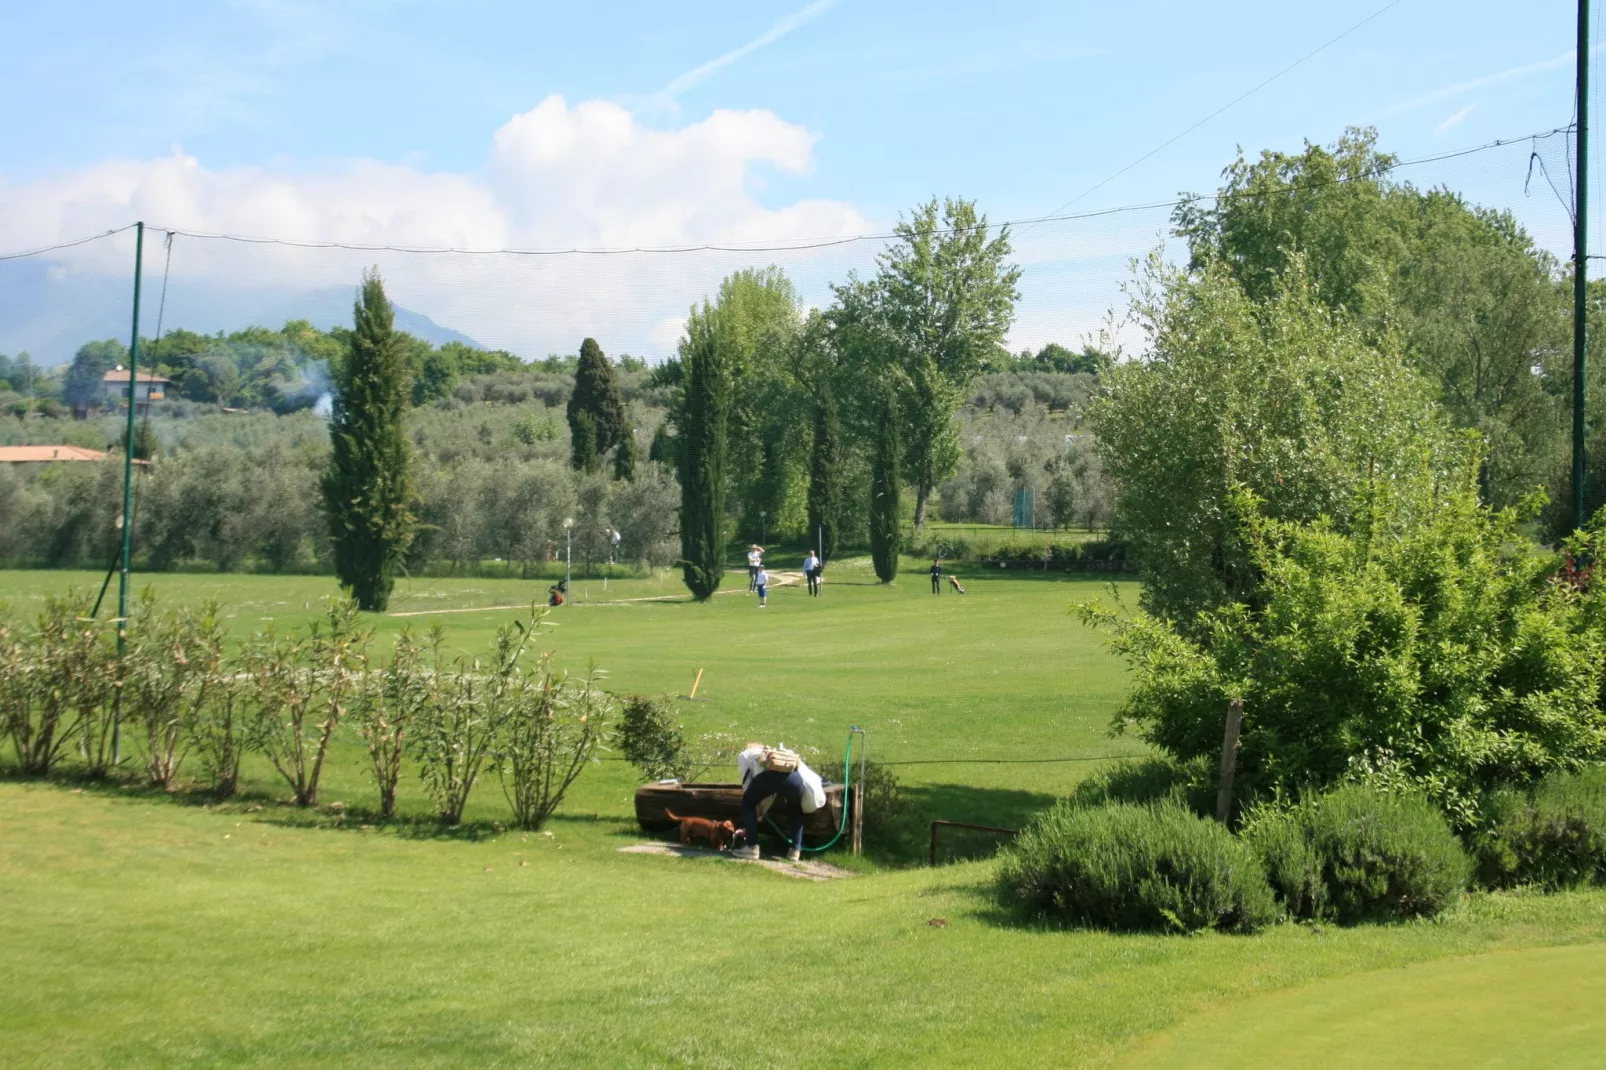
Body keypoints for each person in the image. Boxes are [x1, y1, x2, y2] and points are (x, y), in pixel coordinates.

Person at [731, 743, 827, 862]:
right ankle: (795, 851)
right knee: (795, 808)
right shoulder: (773, 751)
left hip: (769, 778)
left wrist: (756, 811)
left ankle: (752, 847)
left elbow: (747, 783)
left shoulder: (744, 755)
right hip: (796, 780)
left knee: (748, 803)